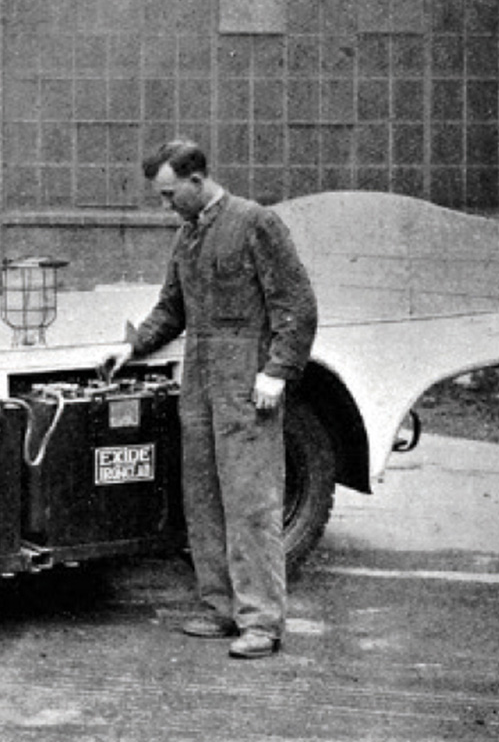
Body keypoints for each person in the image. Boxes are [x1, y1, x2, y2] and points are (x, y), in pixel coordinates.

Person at [102, 138, 317, 659]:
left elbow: (297, 305)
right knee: (203, 499)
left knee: (250, 503)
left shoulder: (255, 223)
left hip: (246, 380)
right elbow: (171, 308)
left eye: (171, 193)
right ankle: (221, 607)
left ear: (198, 180)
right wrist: (131, 347)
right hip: (199, 379)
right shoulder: (188, 236)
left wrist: (277, 371)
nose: (166, 204)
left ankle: (262, 621)